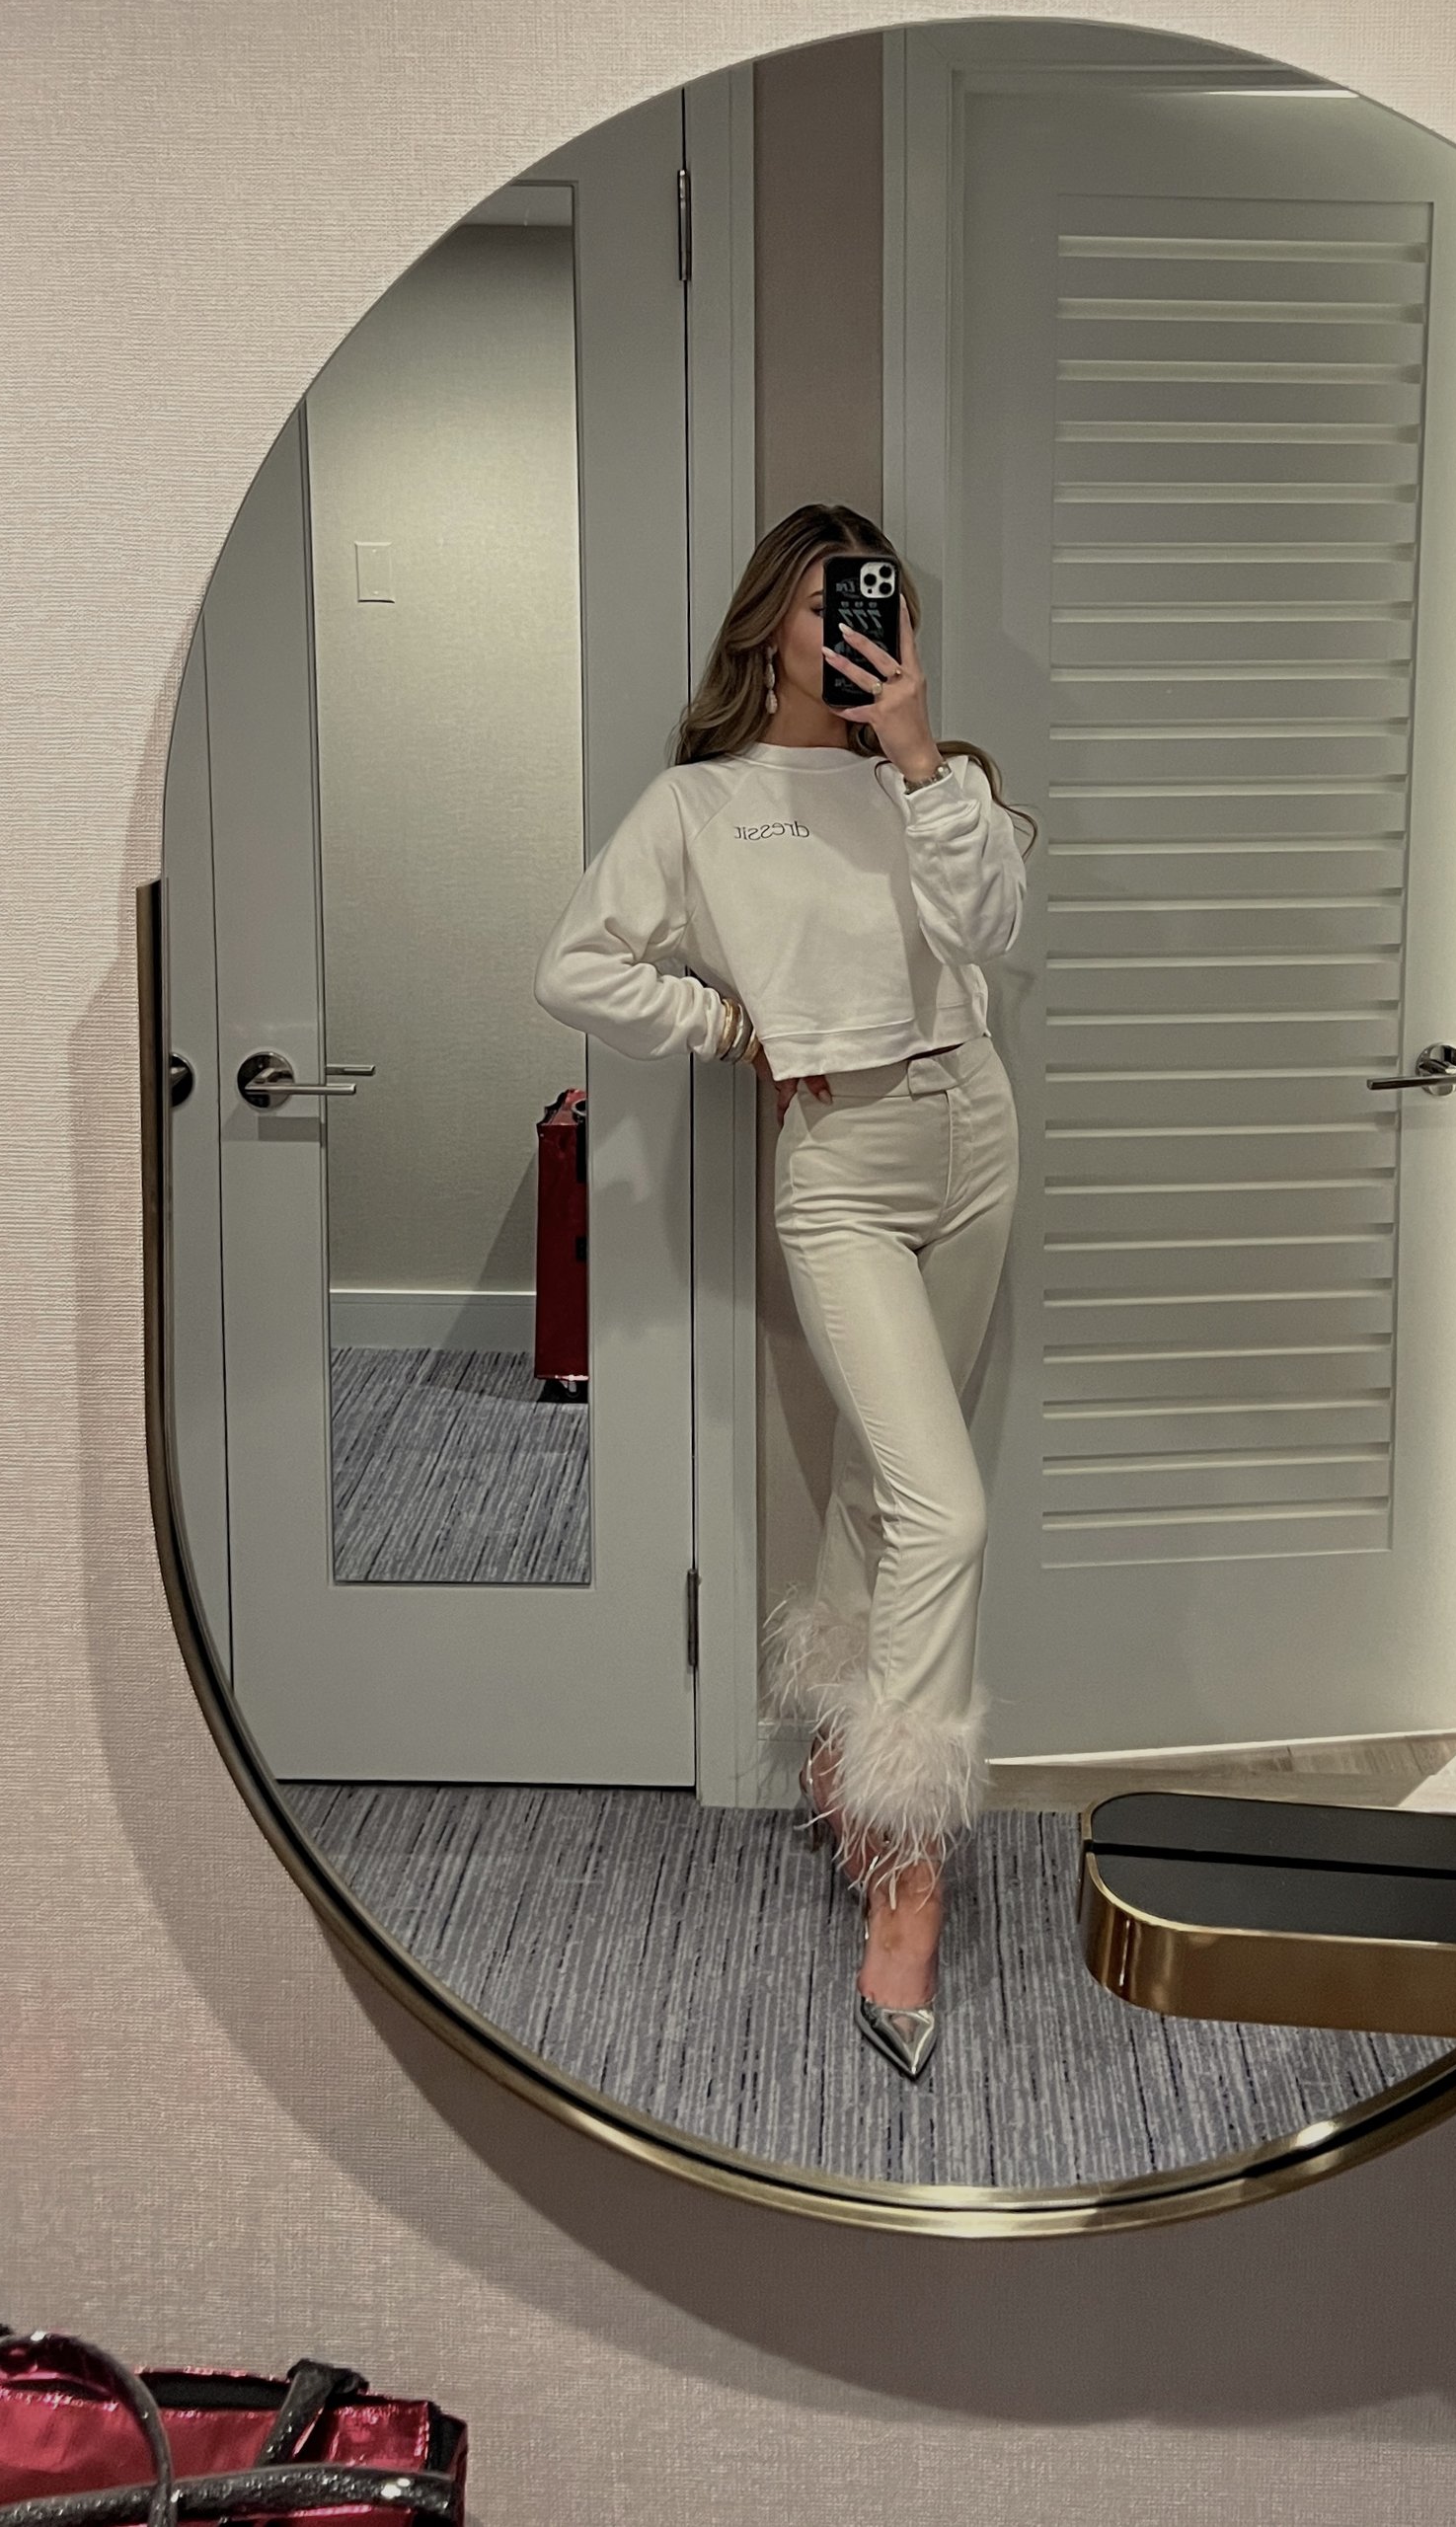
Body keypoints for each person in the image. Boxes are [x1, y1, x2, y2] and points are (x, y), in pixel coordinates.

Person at [534, 502, 1029, 2080]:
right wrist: (729, 1024)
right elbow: (576, 963)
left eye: (874, 601)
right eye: (830, 605)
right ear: (771, 628)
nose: (855, 628)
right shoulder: (704, 805)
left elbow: (994, 938)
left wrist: (922, 757)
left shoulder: (947, 786)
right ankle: (907, 1861)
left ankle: (837, 1746)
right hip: (839, 1165)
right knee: (944, 1508)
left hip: (978, 1131)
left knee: (898, 1485)